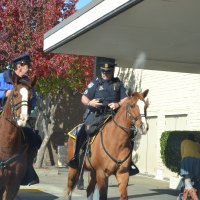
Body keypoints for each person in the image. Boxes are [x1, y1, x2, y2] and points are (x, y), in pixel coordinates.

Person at [68, 60, 138, 176]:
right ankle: (76, 157)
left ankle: (129, 162)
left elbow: (126, 98)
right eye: (103, 72)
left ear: (112, 72)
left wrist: (118, 104)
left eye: (108, 72)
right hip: (95, 114)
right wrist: (90, 102)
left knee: (129, 133)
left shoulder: (118, 84)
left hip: (112, 115)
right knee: (84, 130)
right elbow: (84, 98)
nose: (105, 74)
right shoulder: (95, 83)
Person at [0, 53, 42, 185]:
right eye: (27, 66)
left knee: (34, 139)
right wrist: (4, 93)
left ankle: (28, 170)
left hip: (20, 117)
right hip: (1, 113)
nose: (28, 69)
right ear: (19, 66)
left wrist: (28, 108)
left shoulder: (28, 82)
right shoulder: (2, 77)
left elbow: (33, 100)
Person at [180, 133, 200, 200]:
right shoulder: (197, 144)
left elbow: (182, 153)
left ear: (187, 137)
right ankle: (184, 198)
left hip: (187, 159)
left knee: (187, 181)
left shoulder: (184, 142)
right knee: (191, 180)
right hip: (197, 160)